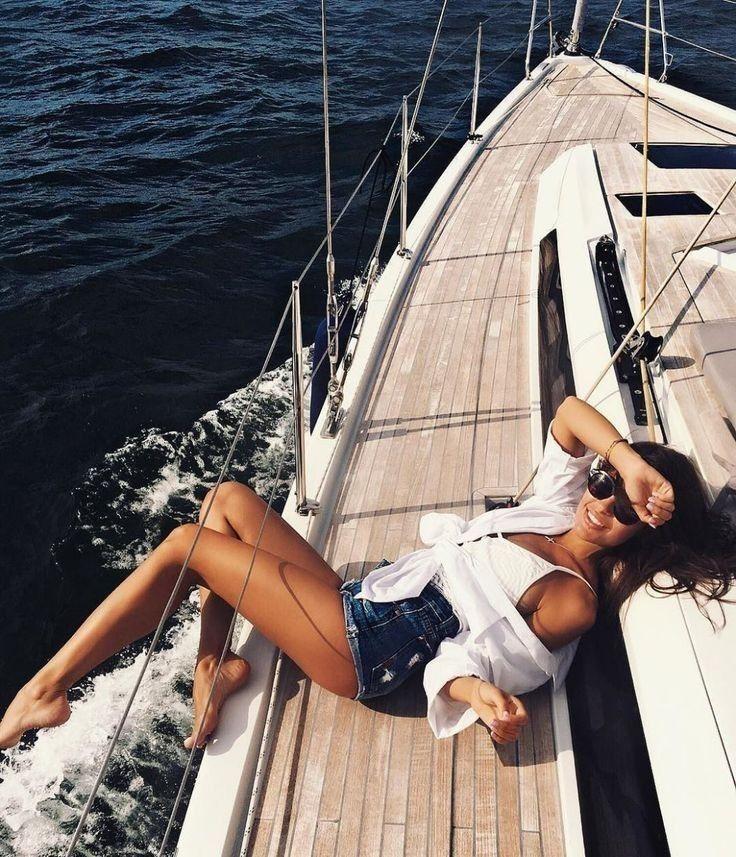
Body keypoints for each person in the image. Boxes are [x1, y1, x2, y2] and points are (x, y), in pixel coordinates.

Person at [1, 397, 733, 750]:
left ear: (645, 536)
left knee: (188, 545)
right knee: (227, 499)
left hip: (375, 649)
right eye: (605, 481)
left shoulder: (573, 594)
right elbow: (573, 413)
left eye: (626, 507)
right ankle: (211, 672)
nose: (604, 501)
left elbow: (480, 656)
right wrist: (632, 459)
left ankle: (45, 689)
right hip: (366, 600)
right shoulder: (553, 505)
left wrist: (481, 697)